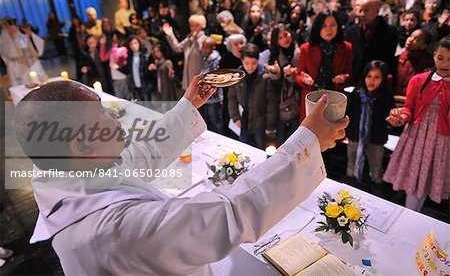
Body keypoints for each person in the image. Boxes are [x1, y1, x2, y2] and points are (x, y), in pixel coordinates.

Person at [14, 74, 348, 275]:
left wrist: (187, 105)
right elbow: (228, 215)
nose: (114, 121)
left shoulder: (68, 175)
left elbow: (138, 156)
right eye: (101, 115)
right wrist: (307, 141)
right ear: (81, 145)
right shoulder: (111, 229)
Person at [384, 36, 450, 212]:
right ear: (434, 55)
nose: (445, 63)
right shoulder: (419, 80)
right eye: (441, 57)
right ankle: (410, 216)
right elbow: (409, 109)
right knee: (414, 184)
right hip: (417, 136)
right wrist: (401, 117)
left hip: (444, 140)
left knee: (431, 180)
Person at [346, 61, 395, 196]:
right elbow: (347, 113)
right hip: (355, 136)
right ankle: (350, 188)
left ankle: (376, 191)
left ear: (383, 78)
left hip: (376, 139)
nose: (371, 81)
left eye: (377, 77)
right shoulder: (356, 93)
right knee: (352, 162)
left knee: (376, 167)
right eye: (369, 76)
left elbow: (389, 118)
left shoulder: (386, 96)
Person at [296, 10, 352, 122]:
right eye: (324, 25)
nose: (329, 29)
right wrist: (304, 79)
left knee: (332, 134)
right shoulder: (306, 48)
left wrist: (343, 79)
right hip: (312, 98)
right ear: (317, 27)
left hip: (335, 100)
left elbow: (349, 76)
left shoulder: (346, 48)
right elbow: (299, 75)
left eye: (333, 25)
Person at [228, 43, 277, 149]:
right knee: (243, 148)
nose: (250, 67)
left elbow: (271, 103)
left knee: (260, 148)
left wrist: (270, 125)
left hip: (259, 123)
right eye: (247, 63)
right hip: (242, 121)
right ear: (242, 60)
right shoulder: (237, 76)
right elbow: (231, 98)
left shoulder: (265, 77)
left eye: (253, 63)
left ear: (258, 60)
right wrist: (235, 117)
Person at [345, 0, 398, 85]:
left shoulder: (390, 32)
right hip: (356, 78)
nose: (362, 14)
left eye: (366, 11)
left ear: (377, 11)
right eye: (360, 10)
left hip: (377, 79)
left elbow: (389, 58)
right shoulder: (352, 30)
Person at [265, 24, 301, 145]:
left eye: (285, 34)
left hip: (299, 102)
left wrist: (292, 76)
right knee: (280, 141)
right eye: (280, 38)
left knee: (297, 141)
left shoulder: (300, 51)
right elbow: (274, 85)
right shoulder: (275, 56)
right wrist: (276, 73)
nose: (284, 39)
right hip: (280, 104)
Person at [162, 14, 207, 90]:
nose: (190, 27)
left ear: (199, 26)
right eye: (190, 25)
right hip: (188, 79)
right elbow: (177, 48)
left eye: (193, 25)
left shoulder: (204, 39)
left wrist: (195, 38)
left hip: (199, 80)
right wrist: (170, 35)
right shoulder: (189, 38)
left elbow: (202, 51)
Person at [0, 17, 45, 85]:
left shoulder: (22, 36)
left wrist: (30, 36)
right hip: (16, 67)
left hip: (32, 64)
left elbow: (36, 49)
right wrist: (12, 39)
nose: (13, 30)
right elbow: (12, 53)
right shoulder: (4, 40)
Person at [395, 29, 434, 96]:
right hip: (395, 97)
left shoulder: (428, 63)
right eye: (411, 36)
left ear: (423, 46)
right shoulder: (400, 57)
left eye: (417, 39)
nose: (410, 39)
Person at [199, 36, 224, 134]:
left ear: (213, 47)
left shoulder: (216, 60)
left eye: (206, 47)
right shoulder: (205, 58)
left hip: (214, 96)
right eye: (203, 46)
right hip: (204, 94)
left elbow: (218, 78)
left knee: (216, 122)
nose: (203, 49)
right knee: (206, 120)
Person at [121, 35, 152, 101]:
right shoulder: (129, 57)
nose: (133, 46)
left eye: (135, 43)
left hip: (145, 86)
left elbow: (148, 72)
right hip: (135, 86)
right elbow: (128, 71)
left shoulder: (145, 56)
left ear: (139, 43)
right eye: (131, 44)